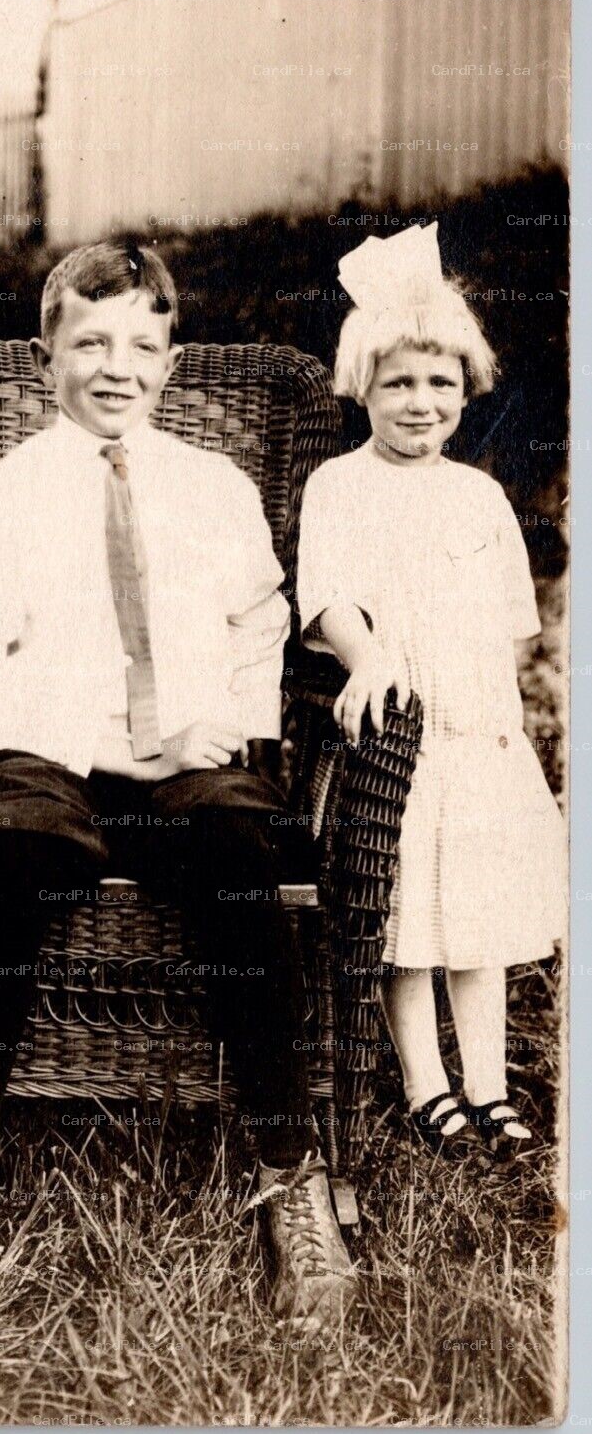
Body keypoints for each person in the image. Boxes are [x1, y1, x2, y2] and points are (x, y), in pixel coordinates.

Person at [0, 241, 356, 1330]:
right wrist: (112, 746)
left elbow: (259, 630)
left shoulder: (214, 490)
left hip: (184, 758)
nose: (116, 368)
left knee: (239, 850)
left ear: (171, 361)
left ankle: (287, 1171)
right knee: (12, 846)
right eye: (90, 342)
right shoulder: (1, 499)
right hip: (38, 755)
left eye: (141, 347)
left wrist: (226, 733)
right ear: (41, 353)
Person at [297, 221, 566, 1162]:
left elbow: (505, 626)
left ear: (467, 389)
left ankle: (488, 1084)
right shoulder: (339, 486)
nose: (420, 402)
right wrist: (366, 656)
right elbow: (326, 594)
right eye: (398, 381)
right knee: (408, 917)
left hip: (477, 736)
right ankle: (426, 1084)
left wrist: (510, 730)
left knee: (477, 917)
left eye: (439, 382)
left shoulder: (478, 497)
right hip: (399, 738)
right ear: (360, 385)